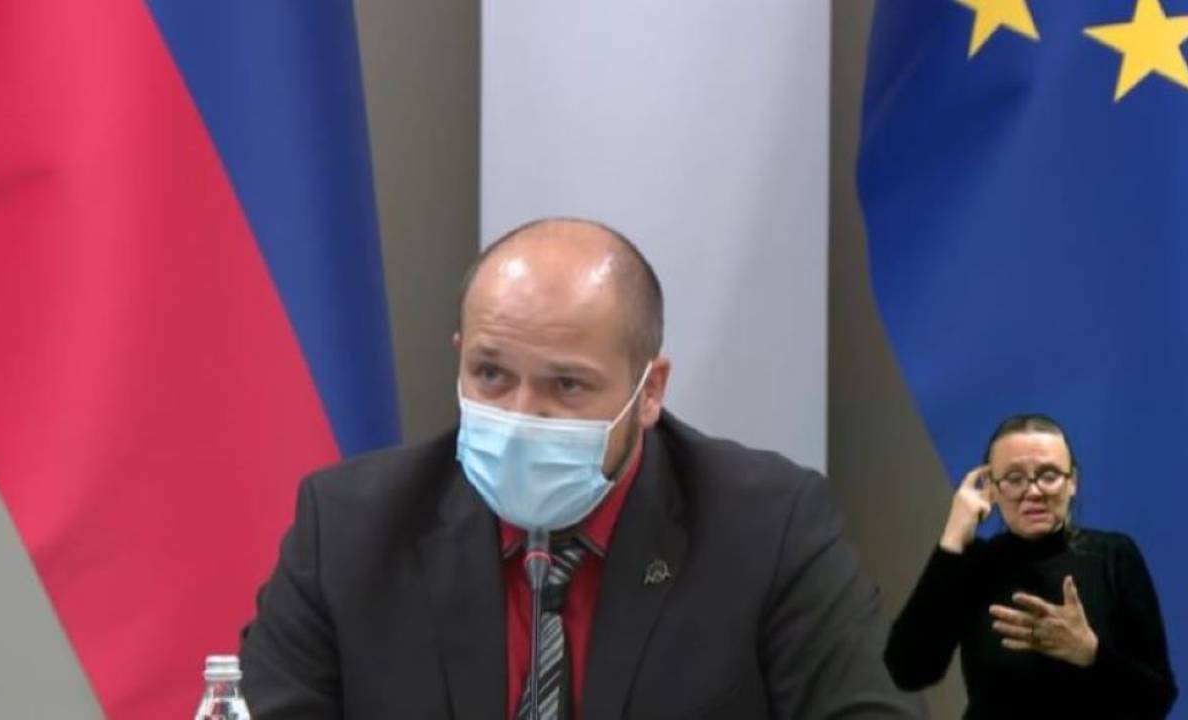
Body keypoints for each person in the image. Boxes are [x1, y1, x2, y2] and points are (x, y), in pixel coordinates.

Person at [239, 218, 921, 718]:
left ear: (649, 391)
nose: (521, 414)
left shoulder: (766, 529)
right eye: (490, 374)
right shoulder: (349, 529)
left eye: (566, 385)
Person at [885, 414, 1178, 718]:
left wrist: (1090, 652)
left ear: (1072, 482)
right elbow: (908, 671)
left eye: (1049, 475)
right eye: (1014, 479)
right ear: (992, 488)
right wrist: (952, 538)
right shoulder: (974, 565)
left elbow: (1157, 698)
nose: (1034, 491)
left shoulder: (1113, 556)